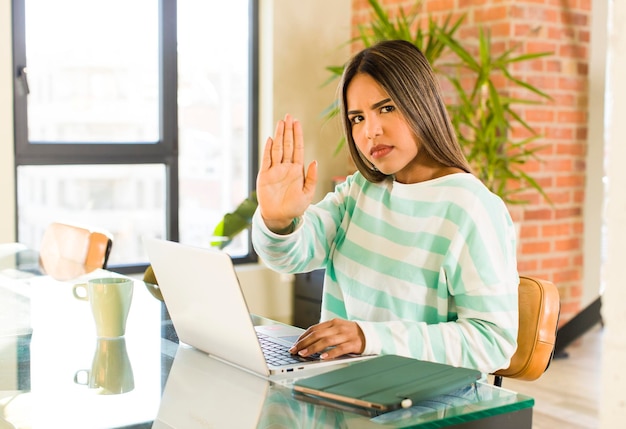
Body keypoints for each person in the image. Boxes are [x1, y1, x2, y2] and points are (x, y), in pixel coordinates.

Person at [251, 39, 518, 374]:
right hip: (345, 388)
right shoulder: (359, 191)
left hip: (423, 406)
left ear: (421, 104)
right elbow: (291, 256)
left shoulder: (471, 208)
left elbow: (494, 343)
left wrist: (369, 337)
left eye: (386, 108)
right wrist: (277, 220)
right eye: (357, 118)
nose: (370, 131)